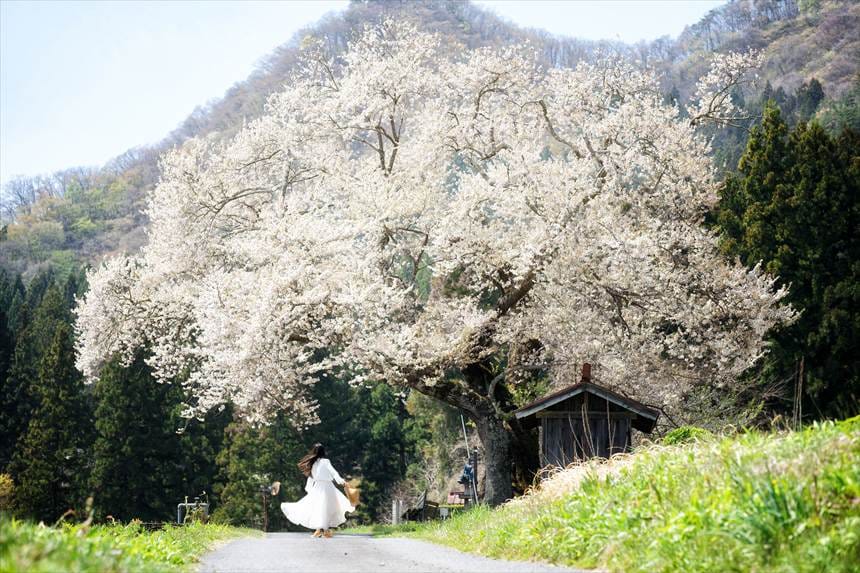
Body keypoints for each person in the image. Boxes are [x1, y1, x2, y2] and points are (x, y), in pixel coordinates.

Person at [281, 443, 354, 538]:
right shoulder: (326, 461)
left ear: (314, 452)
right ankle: (324, 530)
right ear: (323, 452)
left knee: (319, 508)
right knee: (328, 508)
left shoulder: (313, 463)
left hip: (317, 487)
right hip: (328, 487)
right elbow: (334, 473)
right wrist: (342, 482)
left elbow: (311, 478)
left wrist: (309, 489)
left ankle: (320, 530)